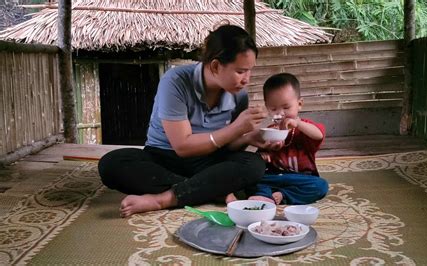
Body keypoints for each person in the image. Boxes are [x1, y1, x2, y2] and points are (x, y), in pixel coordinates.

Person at [98, 24, 270, 217]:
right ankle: (211, 188)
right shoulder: (175, 81)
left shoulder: (238, 95)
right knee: (112, 164)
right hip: (165, 158)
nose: (247, 79)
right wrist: (236, 128)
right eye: (240, 71)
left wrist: (247, 138)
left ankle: (163, 198)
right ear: (215, 66)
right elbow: (182, 146)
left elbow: (227, 145)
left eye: (249, 71)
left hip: (208, 161)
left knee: (254, 165)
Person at [247, 73, 329, 205]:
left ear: (299, 104)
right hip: (273, 177)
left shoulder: (303, 128)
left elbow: (319, 134)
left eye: (286, 107)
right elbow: (261, 156)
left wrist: (298, 124)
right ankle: (263, 195)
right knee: (250, 180)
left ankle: (284, 195)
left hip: (300, 178)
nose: (280, 113)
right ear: (267, 107)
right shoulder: (270, 130)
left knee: (321, 186)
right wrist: (263, 155)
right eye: (273, 109)